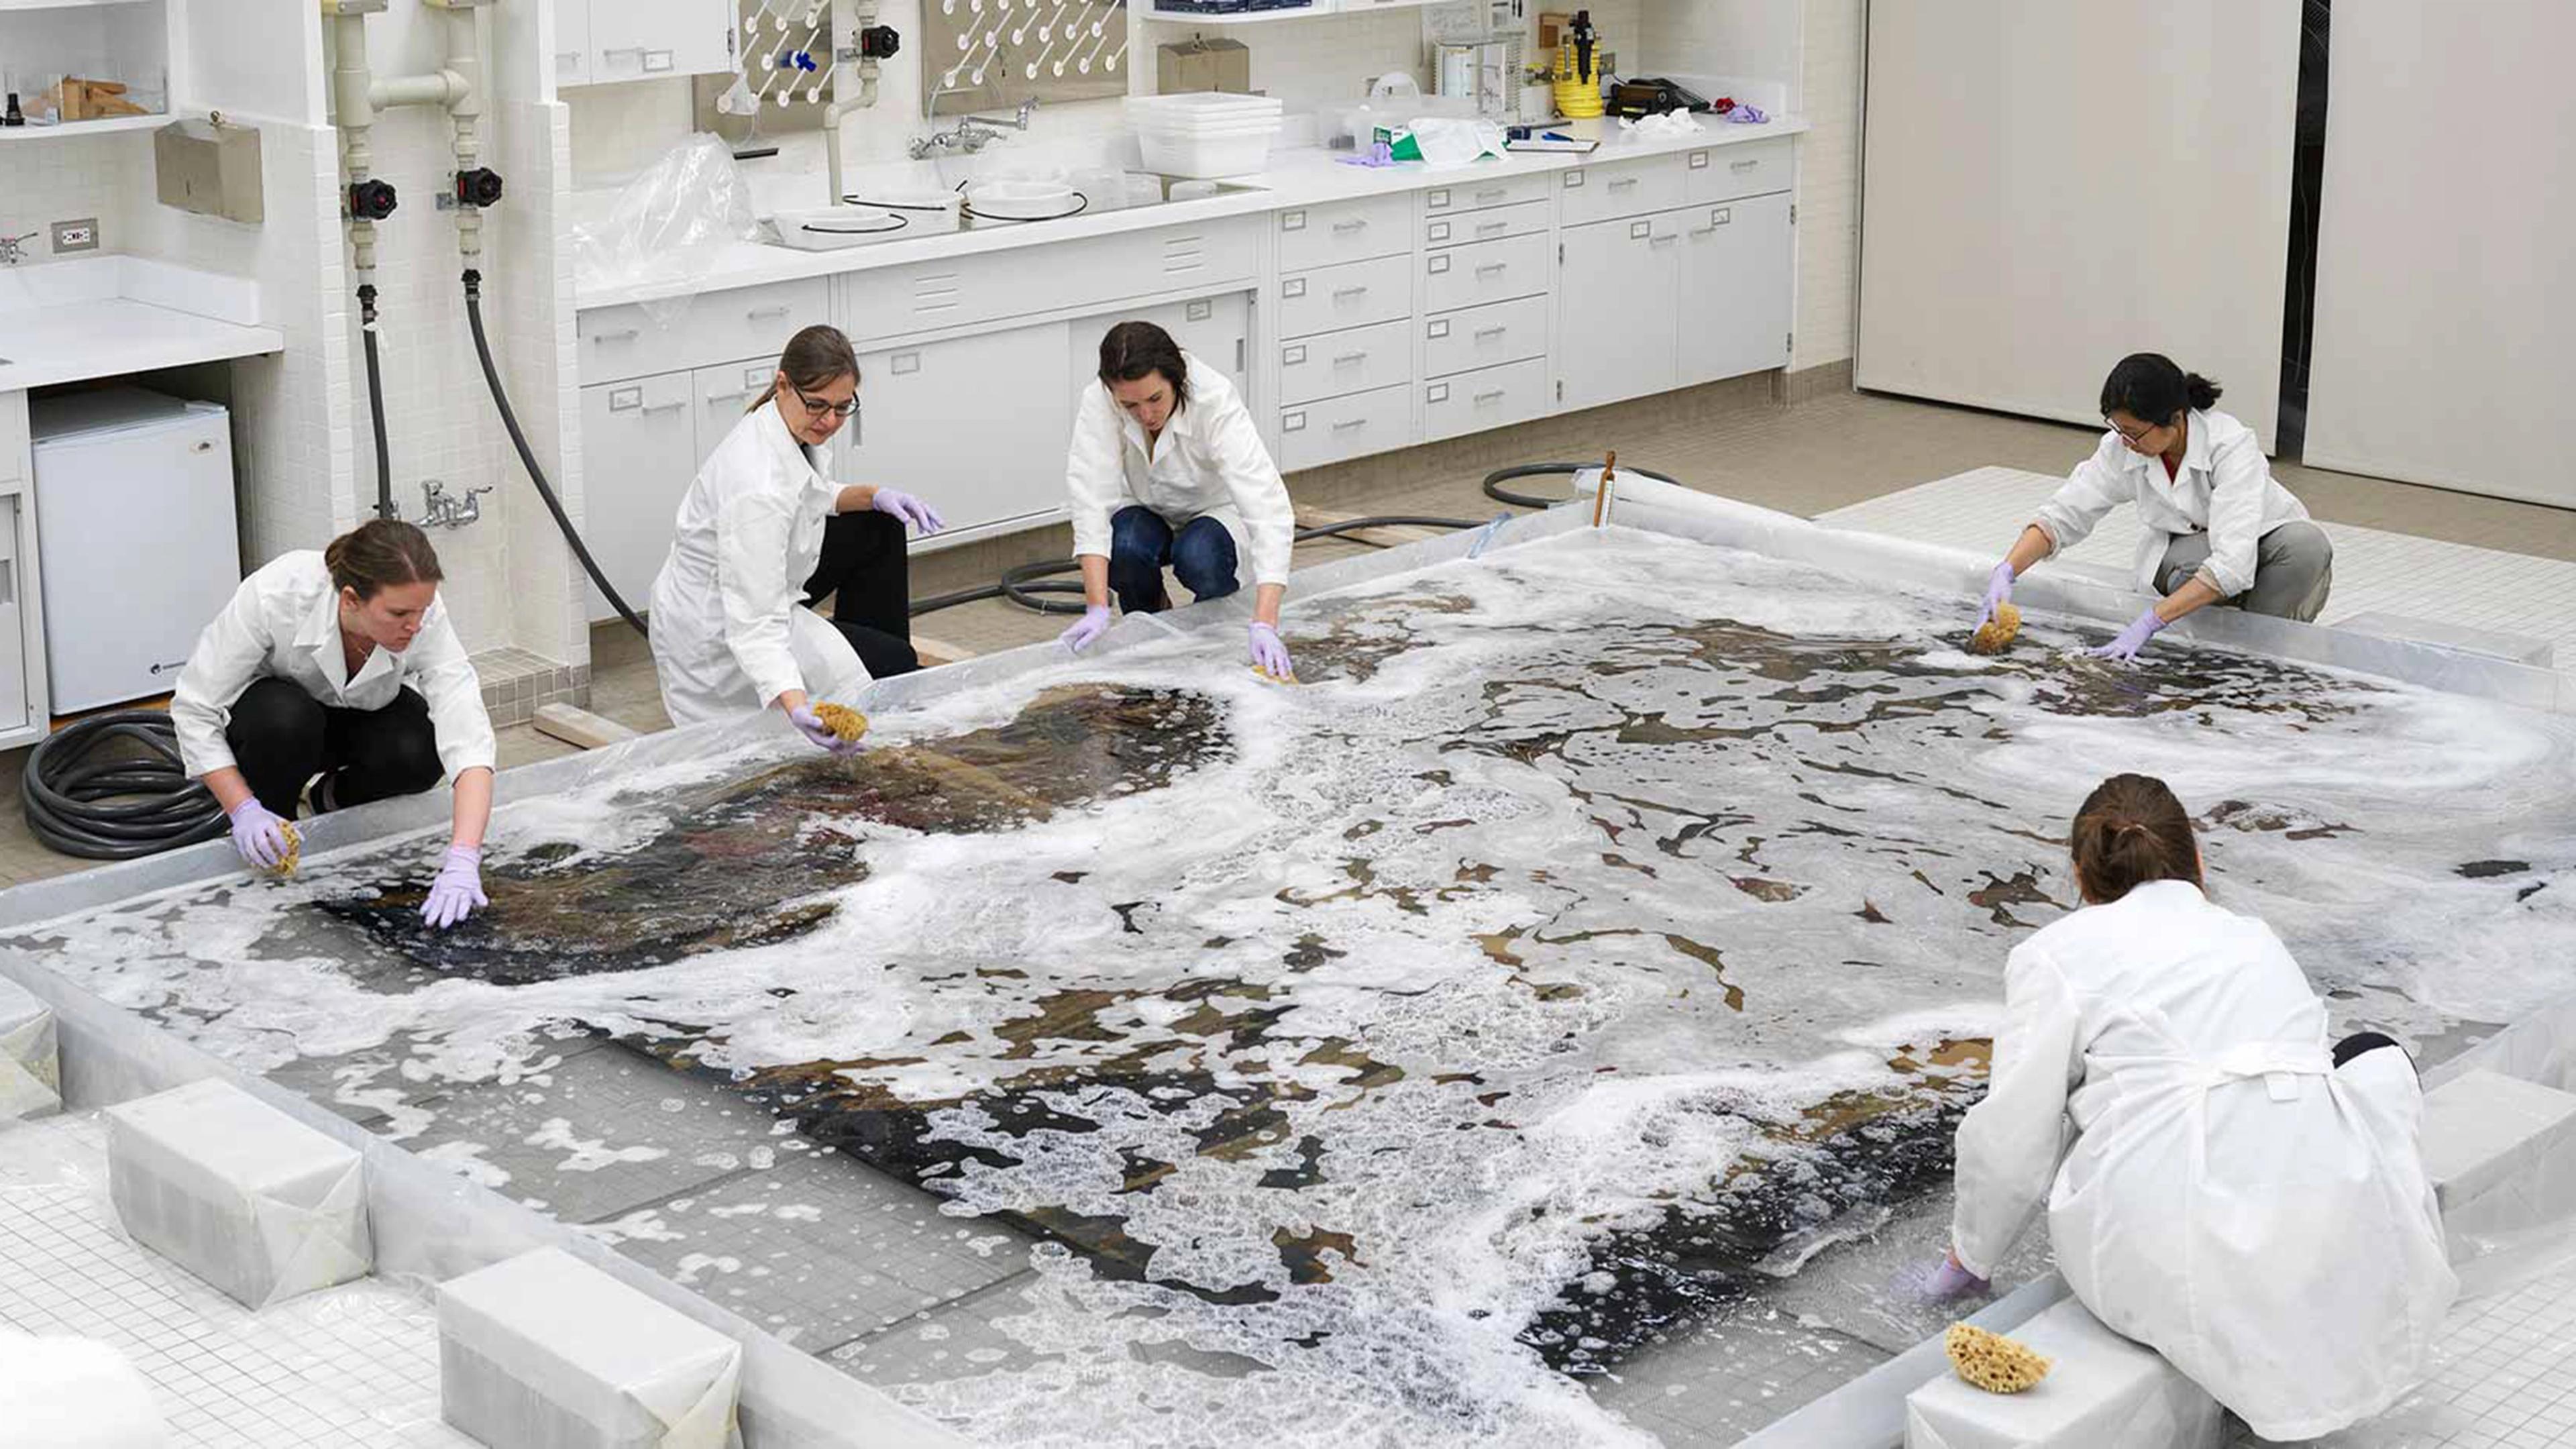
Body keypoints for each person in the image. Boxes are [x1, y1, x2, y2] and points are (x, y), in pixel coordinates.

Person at [1929, 773, 2454, 1440]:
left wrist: (1968, 1259)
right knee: (2370, 1056)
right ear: (2197, 861)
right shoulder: (2253, 937)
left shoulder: (2053, 956)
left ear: (2081, 877)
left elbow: (2013, 1141)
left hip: (2165, 1251)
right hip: (2333, 1234)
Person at [172, 519, 497, 929]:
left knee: (419, 747)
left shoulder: (420, 615)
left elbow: (466, 730)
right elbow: (194, 708)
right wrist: (242, 808)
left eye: (422, 610)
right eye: (399, 614)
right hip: (276, 727)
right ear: (351, 600)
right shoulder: (278, 593)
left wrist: (464, 856)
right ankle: (273, 825)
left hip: (357, 719)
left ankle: (329, 799)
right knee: (285, 718)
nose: (415, 626)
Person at [650, 324, 946, 749]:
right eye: (818, 406)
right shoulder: (757, 489)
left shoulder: (784, 425)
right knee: (896, 659)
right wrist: (795, 705)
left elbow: (807, 493)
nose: (830, 421)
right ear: (783, 385)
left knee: (878, 523)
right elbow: (755, 621)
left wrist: (874, 495)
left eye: (843, 407)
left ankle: (873, 675)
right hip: (716, 632)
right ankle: (875, 674)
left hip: (761, 579)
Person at [1977, 354, 2334, 661]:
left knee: (2306, 546)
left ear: (2175, 420)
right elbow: (2064, 514)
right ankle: (2213, 647)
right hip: (2184, 555)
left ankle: (2253, 653)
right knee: (2191, 569)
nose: (2126, 442)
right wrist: (2007, 571)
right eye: (2119, 429)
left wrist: (2149, 622)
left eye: (2135, 432)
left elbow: (2233, 563)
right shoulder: (2121, 448)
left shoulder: (2230, 445)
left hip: (2263, 543)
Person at [1057, 321, 1299, 680]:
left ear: (1177, 379)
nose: (1146, 415)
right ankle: (1152, 633)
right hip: (1146, 505)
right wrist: (1097, 606)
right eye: (1130, 405)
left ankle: (1211, 639)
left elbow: (1268, 509)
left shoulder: (1214, 399)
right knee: (1124, 547)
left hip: (1214, 511)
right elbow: (1090, 498)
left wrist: (1265, 622)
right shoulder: (1101, 399)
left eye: (1155, 399)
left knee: (1200, 556)